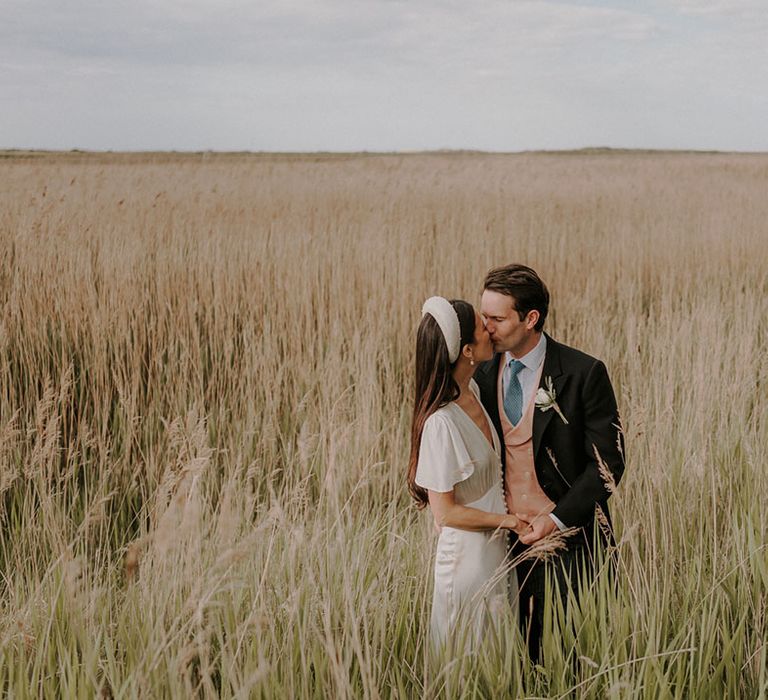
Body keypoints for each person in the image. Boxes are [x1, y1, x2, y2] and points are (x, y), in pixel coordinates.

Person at [474, 263, 625, 662]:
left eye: (496, 318)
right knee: (511, 658)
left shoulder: (583, 372)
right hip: (499, 543)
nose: (485, 326)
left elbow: (608, 465)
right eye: (483, 315)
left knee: (572, 657)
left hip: (572, 545)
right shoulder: (481, 374)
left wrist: (555, 520)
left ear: (530, 319)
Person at [407, 296, 526, 648]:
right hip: (467, 563)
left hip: (494, 553)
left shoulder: (472, 390)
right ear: (467, 351)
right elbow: (444, 512)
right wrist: (511, 522)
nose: (490, 330)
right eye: (481, 327)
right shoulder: (441, 423)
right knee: (469, 659)